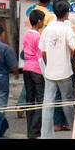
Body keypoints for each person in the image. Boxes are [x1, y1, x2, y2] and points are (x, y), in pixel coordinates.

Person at [38, 0, 75, 139]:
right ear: (67, 14)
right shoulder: (67, 29)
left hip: (50, 71)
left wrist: (49, 63)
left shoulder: (47, 29)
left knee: (47, 104)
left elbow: (42, 52)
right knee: (68, 103)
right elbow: (74, 48)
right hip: (65, 71)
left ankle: (46, 135)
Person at [20, 8, 46, 139]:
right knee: (41, 100)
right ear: (39, 21)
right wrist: (45, 72)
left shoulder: (26, 35)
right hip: (36, 69)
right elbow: (40, 56)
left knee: (29, 100)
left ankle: (29, 129)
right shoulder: (38, 36)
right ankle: (35, 131)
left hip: (26, 68)